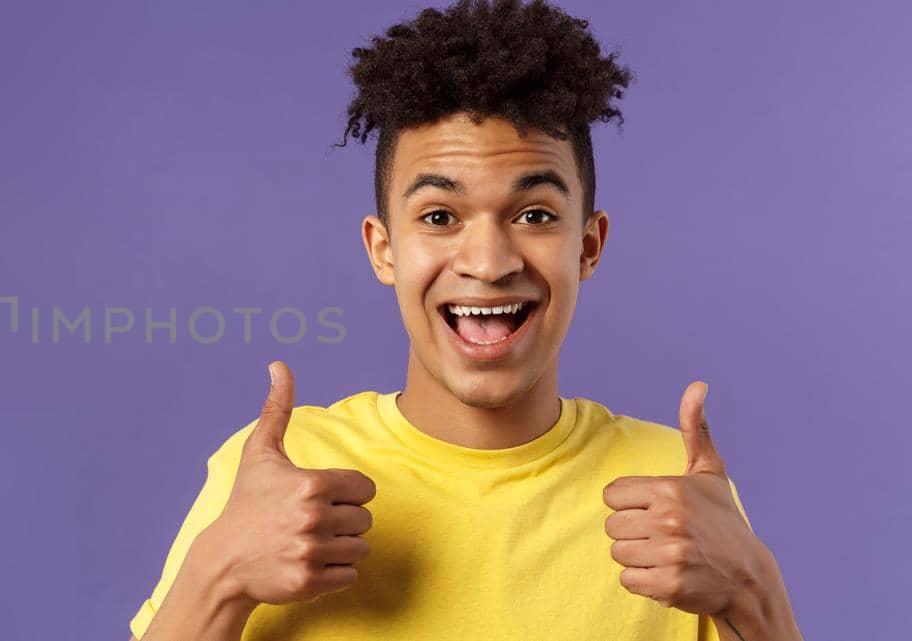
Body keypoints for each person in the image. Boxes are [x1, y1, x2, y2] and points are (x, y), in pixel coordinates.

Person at [126, 1, 804, 639]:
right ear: (383, 248)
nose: (488, 260)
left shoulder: (674, 485)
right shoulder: (274, 473)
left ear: (588, 246)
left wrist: (756, 589)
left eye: (535, 214)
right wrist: (218, 576)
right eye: (440, 217)